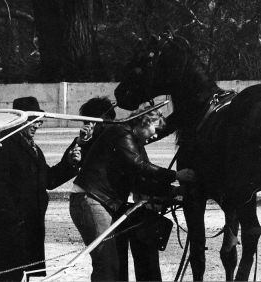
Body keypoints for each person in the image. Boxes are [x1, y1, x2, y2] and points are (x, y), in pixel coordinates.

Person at [70, 106, 196, 281]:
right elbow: (139, 167)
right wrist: (175, 175)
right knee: (107, 264)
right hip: (91, 200)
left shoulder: (130, 140)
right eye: (155, 130)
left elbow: (139, 180)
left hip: (98, 201)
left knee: (111, 264)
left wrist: (173, 192)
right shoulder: (122, 133)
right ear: (146, 121)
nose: (154, 136)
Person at [0, 96, 81, 282]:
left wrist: (70, 163)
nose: (37, 125)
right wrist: (15, 223)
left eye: (39, 121)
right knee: (7, 276)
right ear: (18, 120)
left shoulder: (32, 147)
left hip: (29, 227)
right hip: (10, 230)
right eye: (32, 121)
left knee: (24, 274)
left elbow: (49, 180)